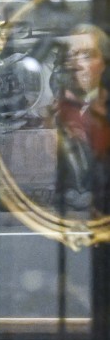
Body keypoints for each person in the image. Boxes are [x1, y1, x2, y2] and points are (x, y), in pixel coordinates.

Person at [52, 23, 110, 212]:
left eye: (86, 55)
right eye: (70, 56)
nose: (76, 65)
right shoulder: (50, 119)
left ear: (103, 64)